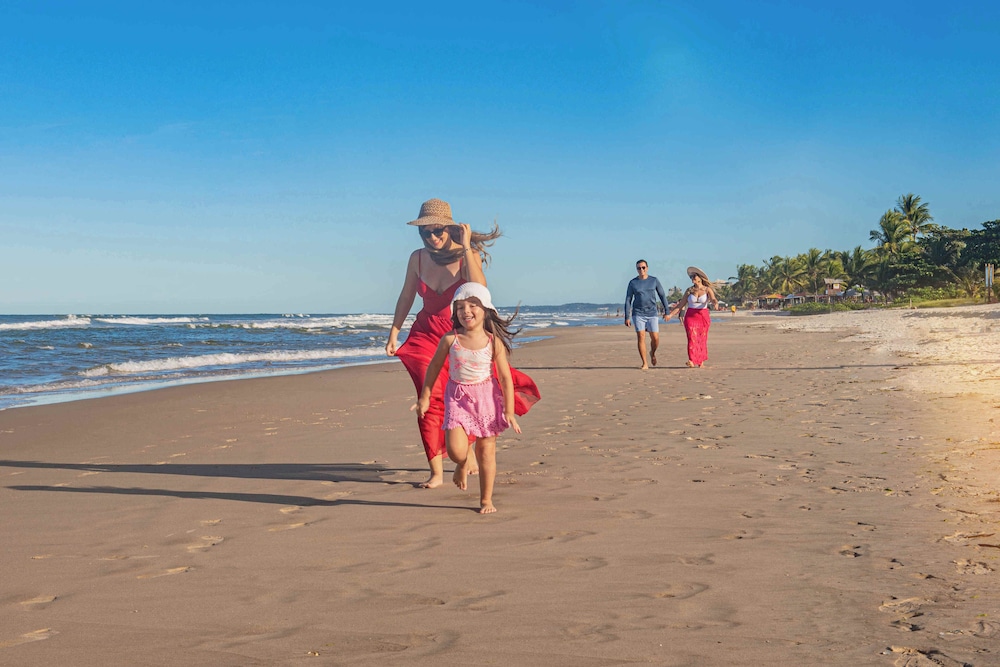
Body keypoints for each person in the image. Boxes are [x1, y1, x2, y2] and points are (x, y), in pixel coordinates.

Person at [386, 199, 538, 489]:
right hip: (424, 333)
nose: (432, 238)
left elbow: (480, 290)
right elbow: (406, 296)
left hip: (460, 335)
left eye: (438, 231)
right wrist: (394, 332)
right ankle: (436, 470)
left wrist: (466, 247)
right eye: (425, 233)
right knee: (427, 395)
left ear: (450, 228)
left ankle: (462, 451)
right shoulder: (417, 258)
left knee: (462, 394)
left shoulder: (466, 256)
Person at [416, 283, 521, 514]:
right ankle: (462, 464)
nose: (466, 311)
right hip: (457, 398)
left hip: (486, 400)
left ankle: (486, 500)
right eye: (460, 307)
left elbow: (504, 378)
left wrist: (509, 412)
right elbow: (433, 368)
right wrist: (424, 398)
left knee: (486, 451)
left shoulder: (494, 342)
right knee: (455, 451)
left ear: (485, 310)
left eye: (473, 305)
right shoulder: (450, 339)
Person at [666, 266, 719, 367]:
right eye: (691, 277)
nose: (693, 278)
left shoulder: (707, 289)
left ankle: (701, 361)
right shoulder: (689, 290)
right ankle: (691, 360)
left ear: (700, 278)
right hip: (690, 316)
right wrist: (671, 315)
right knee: (691, 338)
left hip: (703, 316)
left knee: (702, 338)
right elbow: (681, 305)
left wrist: (715, 303)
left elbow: (713, 299)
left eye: (694, 276)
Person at [624, 259, 669, 370]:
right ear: (636, 269)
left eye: (643, 267)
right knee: (641, 337)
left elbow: (662, 296)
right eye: (639, 268)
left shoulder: (654, 281)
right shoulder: (633, 283)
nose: (641, 270)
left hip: (652, 312)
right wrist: (627, 317)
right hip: (638, 313)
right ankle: (644, 363)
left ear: (647, 268)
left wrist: (667, 312)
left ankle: (652, 353)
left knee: (655, 338)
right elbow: (628, 300)